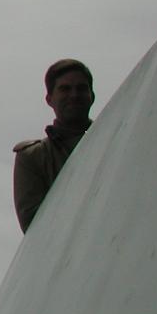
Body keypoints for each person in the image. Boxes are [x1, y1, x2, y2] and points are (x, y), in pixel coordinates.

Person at [12, 59, 95, 232]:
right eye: (65, 89)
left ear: (91, 96)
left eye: (81, 88)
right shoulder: (32, 157)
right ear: (49, 99)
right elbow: (34, 225)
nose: (74, 95)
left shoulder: (116, 139)